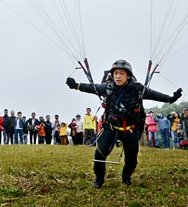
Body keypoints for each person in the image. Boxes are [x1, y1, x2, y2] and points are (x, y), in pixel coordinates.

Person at [65, 59, 181, 187]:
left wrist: (171, 98)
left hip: (130, 129)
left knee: (131, 160)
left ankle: (126, 177)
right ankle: (99, 178)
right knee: (99, 154)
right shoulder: (108, 87)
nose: (118, 76)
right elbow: (92, 88)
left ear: (128, 76)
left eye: (122, 73)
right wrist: (75, 85)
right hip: (111, 127)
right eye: (116, 73)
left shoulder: (137, 89)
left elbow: (155, 95)